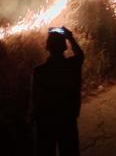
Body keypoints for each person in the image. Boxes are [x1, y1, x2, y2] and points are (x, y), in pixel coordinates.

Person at [31, 26, 84, 156]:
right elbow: (80, 55)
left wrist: (32, 118)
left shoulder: (39, 71)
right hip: (67, 119)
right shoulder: (71, 66)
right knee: (69, 151)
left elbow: (34, 98)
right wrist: (69, 37)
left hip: (45, 121)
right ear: (65, 47)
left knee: (45, 151)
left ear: (47, 47)